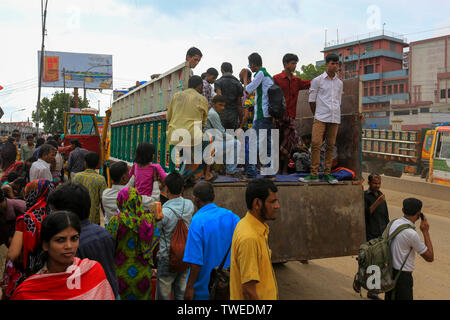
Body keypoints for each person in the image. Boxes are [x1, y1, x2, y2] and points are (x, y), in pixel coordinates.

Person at [11, 211, 115, 300]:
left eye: (74, 238)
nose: (69, 246)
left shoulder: (93, 271)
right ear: (45, 245)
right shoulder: (28, 292)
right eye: (60, 240)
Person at [47, 182, 119, 299]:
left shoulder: (70, 245)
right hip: (110, 293)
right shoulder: (104, 233)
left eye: (54, 211)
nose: (51, 214)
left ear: (65, 214)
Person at [183, 181, 240, 300]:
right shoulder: (232, 216)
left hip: (204, 292)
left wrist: (189, 288)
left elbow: (195, 262)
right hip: (229, 287)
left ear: (196, 200)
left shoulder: (197, 221)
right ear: (213, 196)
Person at [3, 179, 54, 299]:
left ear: (33, 195)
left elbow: (12, 254)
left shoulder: (26, 219)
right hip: (49, 274)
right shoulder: (55, 216)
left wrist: (6, 277)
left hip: (27, 276)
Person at [230, 178, 280, 300]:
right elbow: (248, 292)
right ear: (257, 203)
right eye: (272, 202)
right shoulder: (250, 238)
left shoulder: (248, 225)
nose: (277, 206)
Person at [106, 187, 159, 300]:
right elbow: (154, 243)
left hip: (121, 273)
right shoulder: (148, 220)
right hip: (143, 273)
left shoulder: (116, 220)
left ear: (121, 201)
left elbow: (108, 245)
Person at [299, 53, 343, 184]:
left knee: (330, 146)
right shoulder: (317, 80)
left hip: (334, 118)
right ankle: (314, 173)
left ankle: (327, 173)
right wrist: (317, 114)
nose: (334, 66)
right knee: (316, 144)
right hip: (320, 117)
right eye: (332, 63)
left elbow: (338, 101)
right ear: (327, 64)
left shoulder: (340, 83)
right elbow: (311, 100)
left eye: (336, 63)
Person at [385, 198, 434, 300]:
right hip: (403, 278)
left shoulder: (393, 223)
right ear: (419, 213)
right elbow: (430, 257)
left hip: (389, 273)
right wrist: (425, 232)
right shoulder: (411, 234)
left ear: (403, 210)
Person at [167, 75, 213, 182]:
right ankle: (202, 174)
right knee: (211, 142)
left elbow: (168, 117)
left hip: (174, 135)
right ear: (200, 86)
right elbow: (204, 123)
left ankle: (187, 174)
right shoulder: (202, 99)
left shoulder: (176, 96)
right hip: (192, 136)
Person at [156, 172, 194, 300]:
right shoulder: (189, 205)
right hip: (185, 256)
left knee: (164, 296)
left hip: (167, 257)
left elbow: (156, 232)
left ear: (166, 189)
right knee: (181, 294)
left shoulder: (164, 213)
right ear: (182, 189)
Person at [273, 54, 311, 174]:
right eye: (292, 63)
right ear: (285, 64)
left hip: (290, 117)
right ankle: (277, 169)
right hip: (278, 117)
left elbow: (310, 83)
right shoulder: (277, 79)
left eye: (295, 63)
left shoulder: (297, 81)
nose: (294, 66)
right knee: (277, 143)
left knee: (288, 145)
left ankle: (284, 170)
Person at [243, 53, 275, 179]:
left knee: (252, 143)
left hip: (261, 115)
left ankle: (251, 173)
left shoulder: (260, 74)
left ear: (253, 64)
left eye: (249, 65)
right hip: (268, 116)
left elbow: (247, 90)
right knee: (267, 144)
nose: (250, 67)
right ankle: (269, 172)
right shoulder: (268, 76)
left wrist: (245, 78)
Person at [102, 161, 160, 225]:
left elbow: (124, 188)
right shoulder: (133, 197)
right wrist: (155, 180)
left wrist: (134, 176)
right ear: (123, 178)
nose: (129, 174)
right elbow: (155, 202)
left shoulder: (105, 194)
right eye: (128, 173)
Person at [362, 173, 390, 299]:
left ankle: (368, 287)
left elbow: (385, 216)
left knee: (379, 263)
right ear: (369, 183)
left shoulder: (381, 196)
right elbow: (365, 215)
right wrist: (377, 202)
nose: (377, 186)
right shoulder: (365, 196)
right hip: (370, 234)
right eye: (375, 183)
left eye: (379, 183)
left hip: (381, 234)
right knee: (371, 262)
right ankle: (370, 290)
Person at [206, 95, 242, 177]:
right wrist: (234, 138)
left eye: (223, 105)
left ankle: (226, 168)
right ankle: (230, 171)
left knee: (230, 143)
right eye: (220, 105)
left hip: (211, 143)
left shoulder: (212, 112)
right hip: (209, 146)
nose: (222, 108)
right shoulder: (213, 114)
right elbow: (222, 134)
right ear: (213, 104)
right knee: (236, 143)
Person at [72, 152, 107, 225]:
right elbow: (103, 201)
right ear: (97, 164)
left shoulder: (77, 176)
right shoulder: (100, 179)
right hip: (93, 218)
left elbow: (71, 195)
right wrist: (105, 216)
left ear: (85, 163)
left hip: (77, 216)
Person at [214, 62, 244, 130]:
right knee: (231, 138)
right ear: (232, 71)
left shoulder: (218, 82)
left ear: (222, 71)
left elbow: (219, 99)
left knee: (221, 138)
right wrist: (241, 121)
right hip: (233, 116)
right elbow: (239, 105)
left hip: (222, 115)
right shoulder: (238, 84)